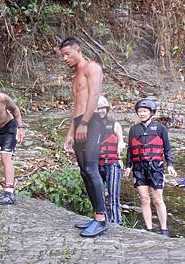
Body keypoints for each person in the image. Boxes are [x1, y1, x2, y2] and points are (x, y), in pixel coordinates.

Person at [59, 37, 108, 237]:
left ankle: (102, 220)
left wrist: (86, 123)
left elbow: (95, 95)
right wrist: (71, 132)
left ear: (78, 50)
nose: (64, 58)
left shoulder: (92, 68)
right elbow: (76, 107)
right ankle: (96, 215)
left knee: (91, 168)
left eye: (67, 53)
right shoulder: (75, 76)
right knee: (83, 171)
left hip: (92, 121)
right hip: (80, 123)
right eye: (62, 55)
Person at [124, 98, 177, 236]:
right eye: (140, 111)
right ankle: (149, 229)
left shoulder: (160, 128)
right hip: (139, 168)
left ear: (151, 112)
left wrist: (170, 164)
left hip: (156, 168)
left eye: (144, 111)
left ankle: (164, 229)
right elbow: (130, 150)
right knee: (144, 198)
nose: (142, 113)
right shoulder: (134, 129)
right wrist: (128, 166)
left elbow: (167, 149)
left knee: (157, 199)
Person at [96, 95, 125, 225]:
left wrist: (120, 145)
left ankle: (117, 223)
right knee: (99, 196)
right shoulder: (91, 126)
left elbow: (121, 141)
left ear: (107, 109)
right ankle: (103, 221)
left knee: (113, 196)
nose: (100, 111)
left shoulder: (115, 125)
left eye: (103, 108)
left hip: (112, 163)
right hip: (97, 164)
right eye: (98, 108)